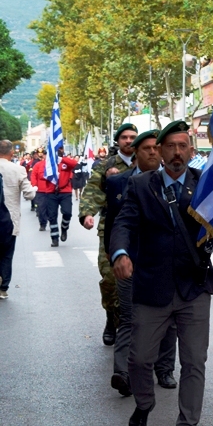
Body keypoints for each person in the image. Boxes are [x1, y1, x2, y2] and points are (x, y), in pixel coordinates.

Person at [110, 121, 213, 426]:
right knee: (140, 359)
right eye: (169, 146)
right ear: (159, 151)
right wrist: (121, 252)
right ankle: (144, 404)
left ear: (191, 150)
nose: (176, 153)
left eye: (182, 146)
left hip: (194, 288)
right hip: (152, 286)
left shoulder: (206, 184)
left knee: (194, 362)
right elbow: (124, 223)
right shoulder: (142, 185)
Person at [104, 130, 177, 396]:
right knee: (129, 315)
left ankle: (165, 368)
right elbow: (114, 224)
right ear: (135, 152)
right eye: (146, 148)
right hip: (130, 262)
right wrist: (115, 255)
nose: (153, 153)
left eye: (157, 148)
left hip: (162, 263)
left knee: (168, 317)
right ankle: (122, 372)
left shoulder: (174, 182)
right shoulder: (117, 183)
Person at [80, 123, 138, 345]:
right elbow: (93, 190)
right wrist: (86, 214)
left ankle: (133, 325)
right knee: (111, 279)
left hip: (141, 229)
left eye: (133, 137)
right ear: (118, 140)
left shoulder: (147, 162)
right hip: (112, 229)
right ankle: (111, 319)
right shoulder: (106, 165)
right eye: (124, 137)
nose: (129, 140)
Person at [0, 140, 37, 299]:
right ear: (12, 153)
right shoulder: (18, 169)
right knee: (7, 254)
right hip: (9, 219)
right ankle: (3, 288)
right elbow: (29, 194)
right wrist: (34, 189)